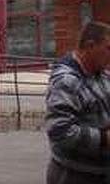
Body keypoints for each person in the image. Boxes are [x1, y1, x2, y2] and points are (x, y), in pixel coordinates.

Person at [46, 20, 110, 183]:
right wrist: (104, 138)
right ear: (90, 46)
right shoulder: (66, 82)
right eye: (108, 48)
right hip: (75, 174)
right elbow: (60, 132)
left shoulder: (101, 74)